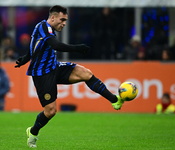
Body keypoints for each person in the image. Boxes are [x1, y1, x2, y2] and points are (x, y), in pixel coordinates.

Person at [15, 5, 125, 148]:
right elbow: (55, 45)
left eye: (65, 20)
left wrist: (25, 58)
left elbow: (35, 46)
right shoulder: (43, 26)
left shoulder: (47, 29)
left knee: (86, 73)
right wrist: (76, 48)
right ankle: (33, 132)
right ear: (52, 17)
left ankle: (114, 100)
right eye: (62, 20)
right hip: (42, 74)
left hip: (54, 67)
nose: (64, 23)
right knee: (51, 111)